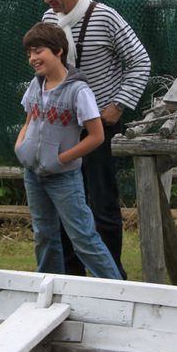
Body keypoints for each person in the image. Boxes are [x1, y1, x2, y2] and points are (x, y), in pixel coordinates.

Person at [38, 0, 151, 279]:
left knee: (102, 204)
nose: (48, 1)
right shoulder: (49, 19)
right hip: (62, 125)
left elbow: (140, 61)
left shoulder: (105, 17)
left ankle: (112, 275)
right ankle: (72, 275)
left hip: (100, 125)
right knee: (64, 200)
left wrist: (118, 106)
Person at [14, 23, 122, 279]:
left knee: (83, 238)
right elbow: (29, 119)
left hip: (64, 178)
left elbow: (96, 136)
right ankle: (49, 288)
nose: (33, 58)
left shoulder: (78, 91)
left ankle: (117, 291)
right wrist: (21, 146)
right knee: (44, 235)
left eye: (38, 51)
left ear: (58, 51)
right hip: (34, 175)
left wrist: (61, 159)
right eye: (29, 53)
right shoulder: (35, 85)